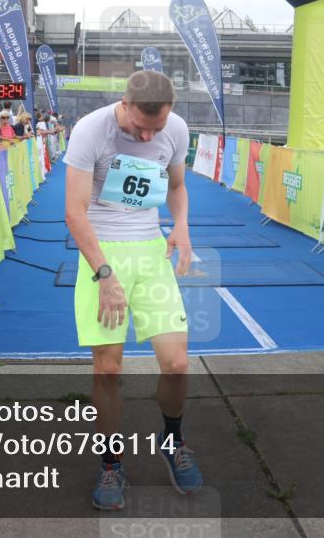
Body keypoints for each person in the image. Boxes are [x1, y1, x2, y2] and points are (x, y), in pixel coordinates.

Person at [63, 70, 200, 510]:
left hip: (150, 252)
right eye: (141, 127)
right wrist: (105, 275)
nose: (147, 137)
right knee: (108, 370)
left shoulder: (174, 129)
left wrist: (181, 225)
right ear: (124, 104)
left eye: (156, 129)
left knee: (177, 364)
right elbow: (75, 213)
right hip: (102, 252)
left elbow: (176, 186)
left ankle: (173, 440)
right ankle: (111, 464)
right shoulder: (91, 131)